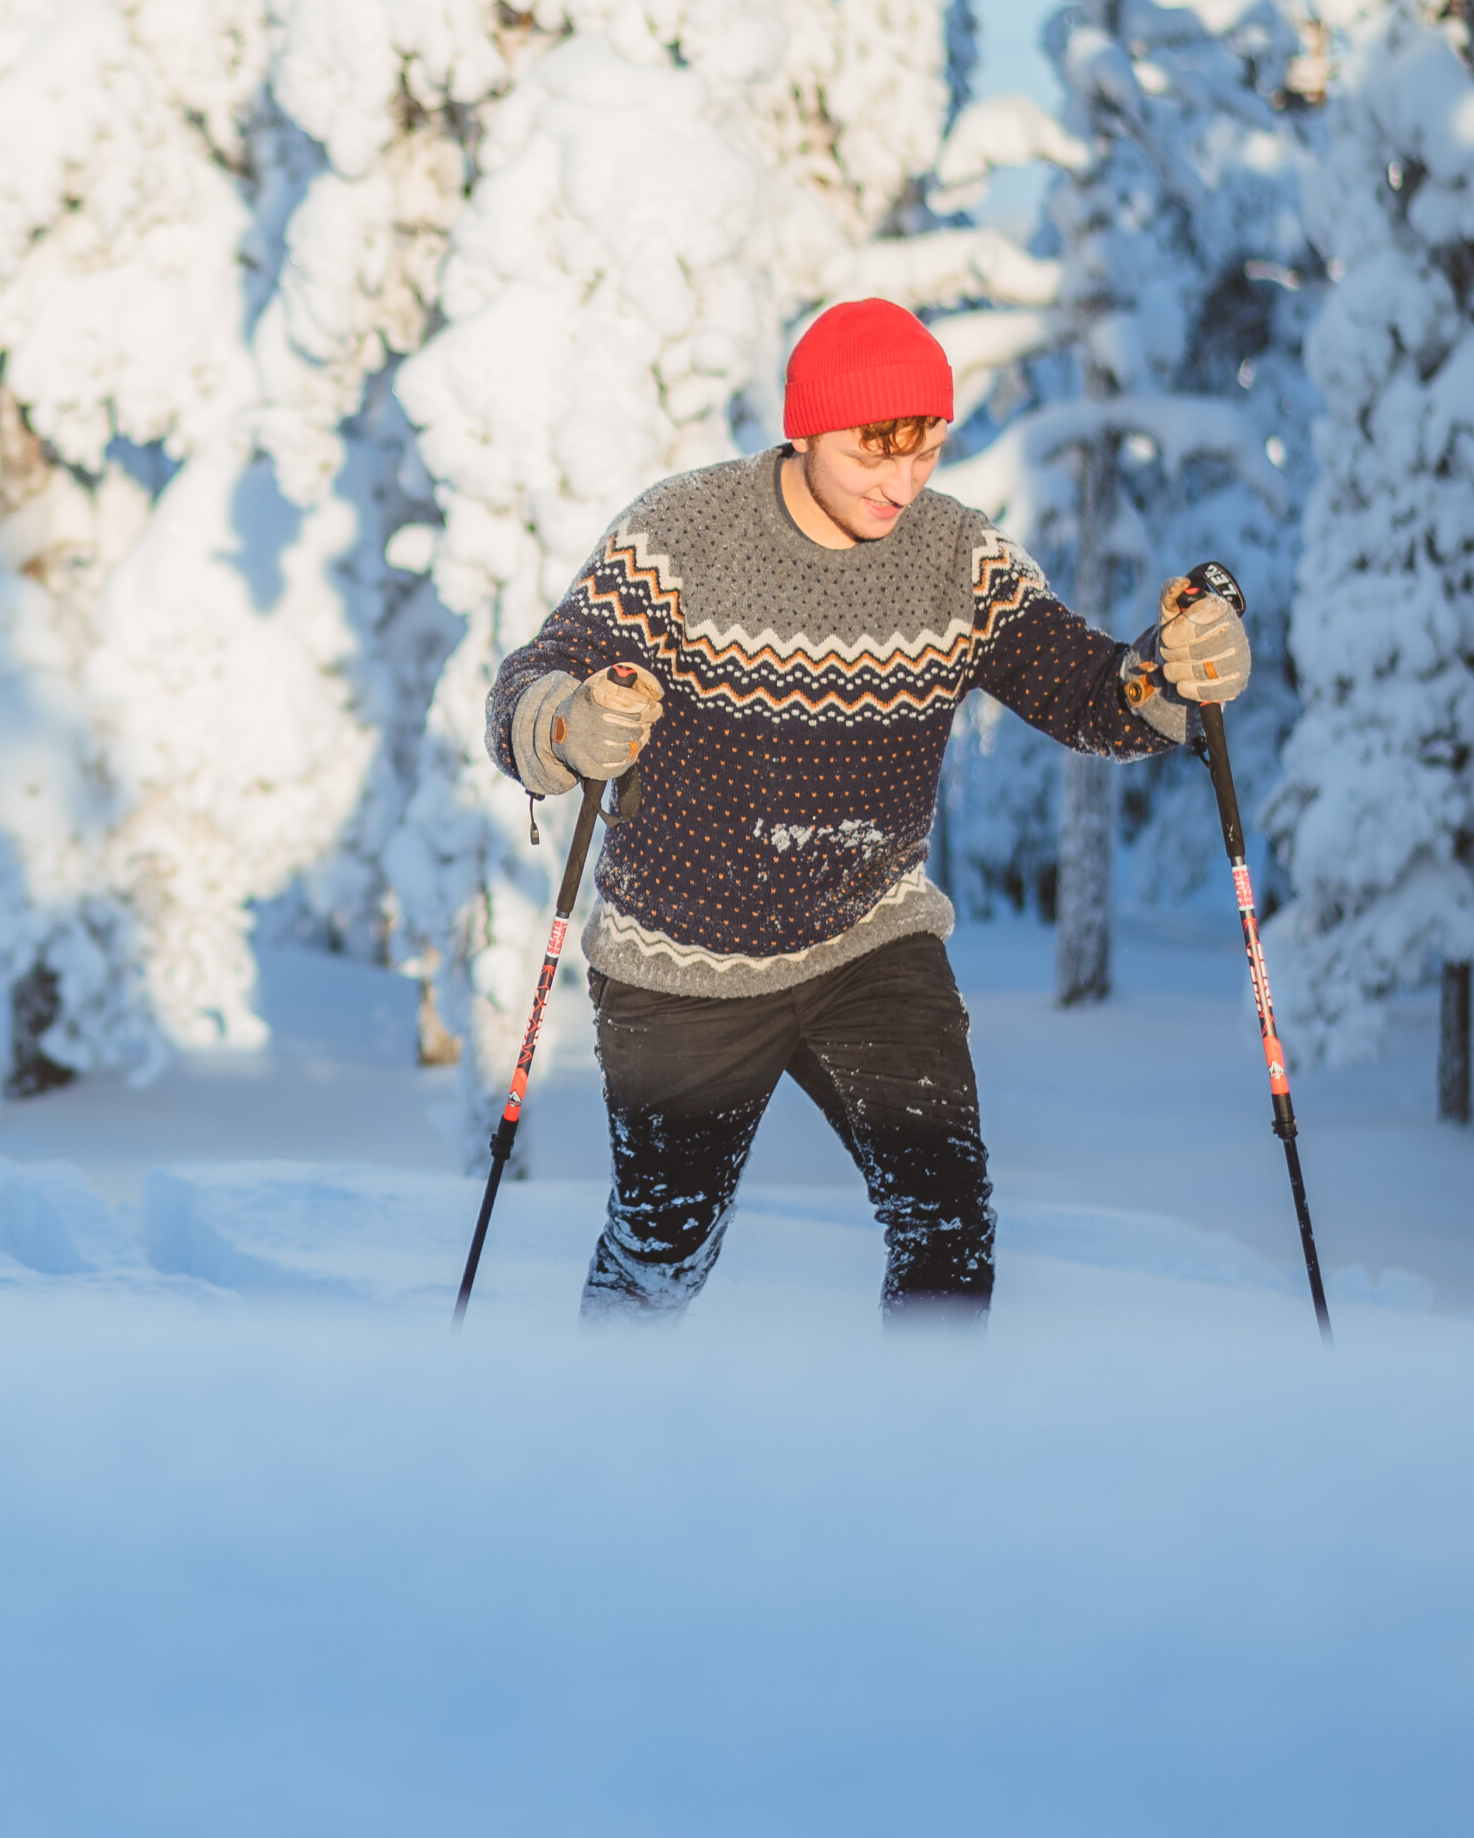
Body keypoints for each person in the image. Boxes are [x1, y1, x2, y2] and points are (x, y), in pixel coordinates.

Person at [484, 297, 1251, 1321]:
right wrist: (571, 723)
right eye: (873, 452)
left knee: (947, 1221)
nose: (902, 482)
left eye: (926, 449)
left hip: (868, 936)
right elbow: (534, 677)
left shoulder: (957, 557)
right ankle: (612, 1457)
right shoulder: (682, 534)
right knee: (664, 1246)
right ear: (806, 426)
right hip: (683, 957)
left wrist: (1169, 671)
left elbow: (1081, 686)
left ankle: (920, 1452)